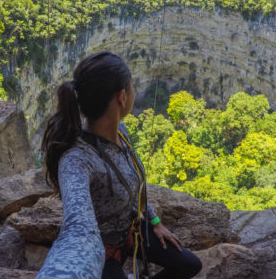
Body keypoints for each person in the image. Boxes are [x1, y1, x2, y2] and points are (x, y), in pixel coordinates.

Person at [35, 51, 202, 279]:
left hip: (133, 230)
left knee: (191, 265)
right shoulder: (77, 160)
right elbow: (77, 227)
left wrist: (154, 221)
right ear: (122, 97)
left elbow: (134, 184)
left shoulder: (120, 132)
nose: (135, 92)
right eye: (133, 87)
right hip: (103, 252)